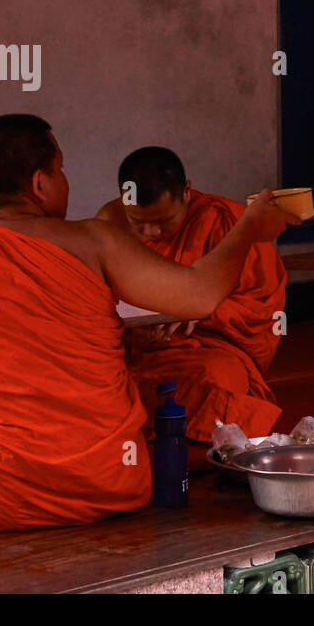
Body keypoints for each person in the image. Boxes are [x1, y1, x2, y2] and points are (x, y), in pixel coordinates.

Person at [0, 115, 295, 531]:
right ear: (40, 183)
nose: (65, 181)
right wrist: (250, 227)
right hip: (110, 482)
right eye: (61, 169)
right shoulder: (95, 240)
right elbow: (200, 294)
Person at [95, 147, 287, 441]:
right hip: (130, 347)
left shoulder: (225, 221)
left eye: (162, 221)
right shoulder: (111, 222)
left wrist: (200, 313)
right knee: (84, 374)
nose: (150, 232)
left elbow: (259, 308)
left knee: (216, 377)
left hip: (205, 346)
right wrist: (130, 332)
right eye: (138, 221)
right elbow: (93, 295)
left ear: (186, 192)